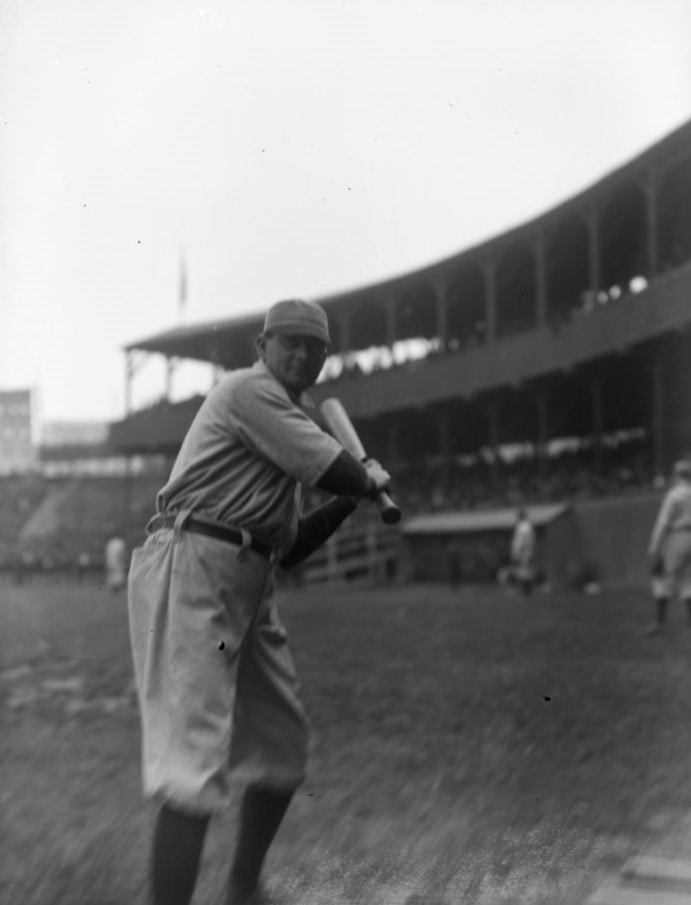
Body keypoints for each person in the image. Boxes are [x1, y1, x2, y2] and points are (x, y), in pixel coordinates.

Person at [127, 298, 392, 905]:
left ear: (326, 360)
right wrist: (365, 478)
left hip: (251, 578)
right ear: (262, 348)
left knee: (282, 747)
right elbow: (333, 464)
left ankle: (243, 891)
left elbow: (291, 544)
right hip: (193, 567)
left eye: (314, 348)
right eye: (289, 343)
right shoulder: (247, 391)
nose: (301, 355)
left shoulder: (287, 423)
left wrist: (353, 498)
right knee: (192, 765)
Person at [646, 458, 691, 634]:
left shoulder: (674, 494)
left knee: (662, 577)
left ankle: (660, 622)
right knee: (689, 579)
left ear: (678, 474)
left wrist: (653, 547)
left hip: (677, 536)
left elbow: (663, 522)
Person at [509, 508, 536, 595]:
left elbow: (521, 541)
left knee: (523, 571)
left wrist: (516, 551)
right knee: (522, 571)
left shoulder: (524, 526)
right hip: (525, 551)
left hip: (523, 552)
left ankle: (525, 591)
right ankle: (525, 591)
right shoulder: (526, 525)